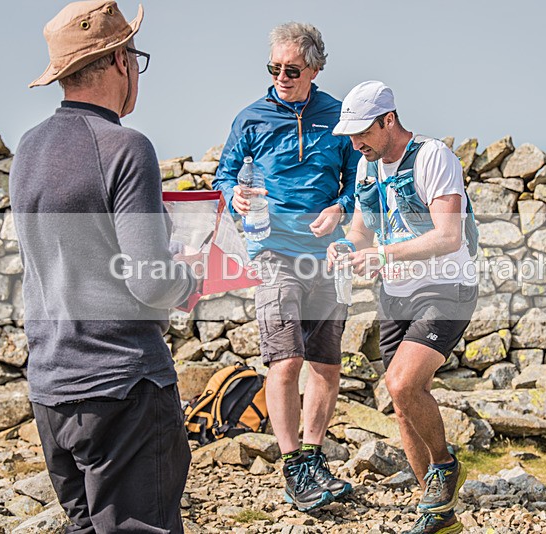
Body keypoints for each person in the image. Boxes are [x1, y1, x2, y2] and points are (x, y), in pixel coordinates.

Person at [10, 2, 196, 532]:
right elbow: (148, 281)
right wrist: (188, 274)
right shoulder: (126, 147)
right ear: (120, 60)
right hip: (123, 387)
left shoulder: (28, 149)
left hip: (52, 389)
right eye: (136, 56)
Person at [213, 22, 357, 513]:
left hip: (330, 254)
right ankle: (293, 465)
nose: (281, 77)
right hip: (272, 252)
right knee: (285, 358)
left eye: (291, 69)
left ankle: (315, 456)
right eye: (273, 68)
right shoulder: (250, 118)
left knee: (326, 364)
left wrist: (340, 206)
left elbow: (361, 184)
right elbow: (224, 174)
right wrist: (234, 192)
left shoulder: (338, 118)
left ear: (315, 68)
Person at [329, 81, 479, 534]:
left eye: (361, 133)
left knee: (400, 384)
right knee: (403, 401)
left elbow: (448, 236)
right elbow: (360, 232)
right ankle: (437, 515)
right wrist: (343, 247)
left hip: (446, 288)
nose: (355, 143)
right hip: (395, 294)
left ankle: (446, 467)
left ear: (388, 120)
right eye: (350, 136)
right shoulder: (366, 165)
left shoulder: (433, 158)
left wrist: (384, 256)